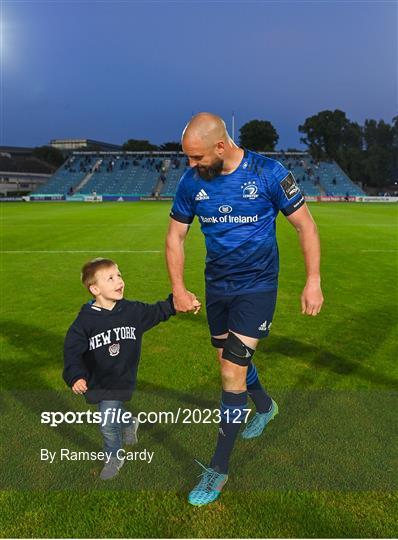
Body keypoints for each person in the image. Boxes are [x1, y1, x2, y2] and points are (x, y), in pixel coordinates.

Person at [166, 112, 324, 506]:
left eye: (197, 157)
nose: (191, 165)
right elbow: (175, 236)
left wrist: (313, 280)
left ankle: (217, 470)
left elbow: (305, 226)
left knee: (230, 372)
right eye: (188, 157)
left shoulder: (268, 173)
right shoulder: (192, 182)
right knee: (226, 358)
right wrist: (179, 289)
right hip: (216, 287)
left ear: (221, 146)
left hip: (257, 287)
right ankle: (266, 407)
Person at [63, 258, 190, 480]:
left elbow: (158, 311)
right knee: (111, 413)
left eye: (119, 275)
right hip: (97, 379)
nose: (119, 281)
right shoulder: (84, 322)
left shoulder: (132, 311)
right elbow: (72, 352)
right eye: (110, 278)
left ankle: (114, 456)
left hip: (121, 378)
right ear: (95, 289)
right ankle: (131, 421)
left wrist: (178, 301)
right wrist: (76, 376)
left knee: (106, 422)